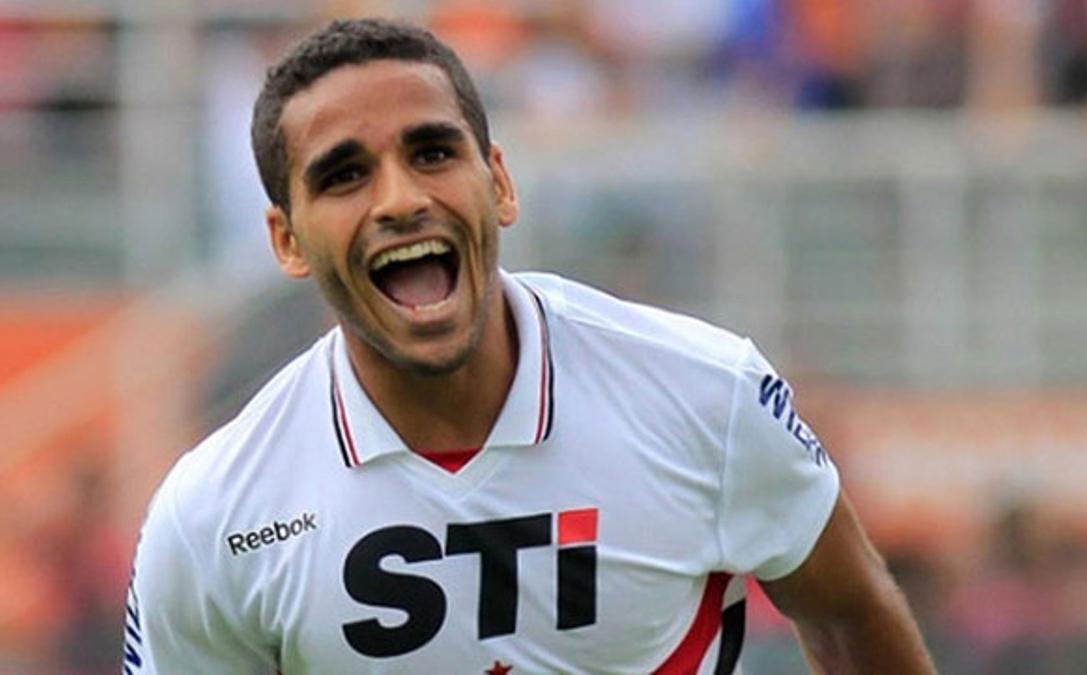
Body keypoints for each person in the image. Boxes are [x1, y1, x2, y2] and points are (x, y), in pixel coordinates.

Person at [123, 18, 934, 674]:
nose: (402, 199)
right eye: (344, 175)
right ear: (287, 239)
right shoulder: (211, 518)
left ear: (499, 183)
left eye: (433, 152)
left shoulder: (706, 393)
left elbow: (849, 611)